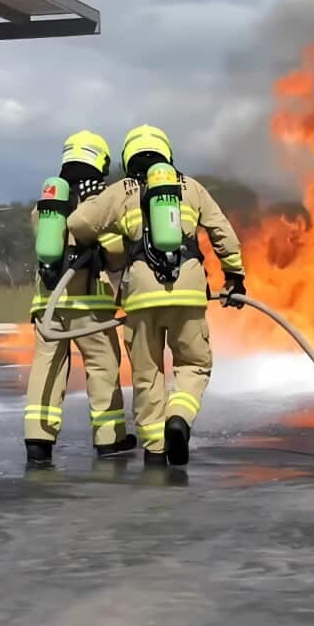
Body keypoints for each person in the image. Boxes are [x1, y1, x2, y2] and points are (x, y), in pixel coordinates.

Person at [67, 124, 246, 466]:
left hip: (141, 297)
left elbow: (78, 224)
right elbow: (224, 233)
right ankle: (179, 418)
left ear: (129, 156)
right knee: (194, 364)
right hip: (189, 293)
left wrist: (110, 238)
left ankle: (154, 448)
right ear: (166, 153)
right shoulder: (191, 188)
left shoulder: (123, 191)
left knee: (147, 375)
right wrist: (235, 276)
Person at [24, 130, 135, 468]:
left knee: (46, 369)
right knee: (103, 368)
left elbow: (47, 249)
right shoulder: (97, 204)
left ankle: (38, 441)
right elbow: (115, 254)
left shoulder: (46, 207)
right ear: (99, 161)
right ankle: (109, 439)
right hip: (90, 306)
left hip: (48, 306)